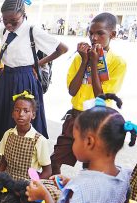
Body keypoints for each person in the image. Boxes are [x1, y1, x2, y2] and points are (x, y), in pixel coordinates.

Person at [51, 12, 127, 175]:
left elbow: (101, 95)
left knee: (91, 165)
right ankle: (56, 191)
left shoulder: (117, 63)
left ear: (112, 35)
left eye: (100, 33)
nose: (94, 38)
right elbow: (72, 91)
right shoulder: (80, 58)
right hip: (76, 116)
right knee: (56, 159)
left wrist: (94, 63)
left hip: (96, 120)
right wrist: (85, 61)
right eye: (91, 33)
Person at [0, 0, 67, 143]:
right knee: (6, 123)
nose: (9, 25)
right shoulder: (4, 30)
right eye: (5, 20)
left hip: (24, 80)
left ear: (23, 15)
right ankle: (9, 159)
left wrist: (37, 64)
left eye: (14, 21)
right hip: (6, 79)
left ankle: (30, 164)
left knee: (24, 126)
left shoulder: (32, 30)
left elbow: (62, 49)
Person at [0, 91, 51, 180]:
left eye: (26, 111)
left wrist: (33, 184)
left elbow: (47, 171)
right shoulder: (8, 134)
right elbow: (3, 163)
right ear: (12, 114)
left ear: (33, 115)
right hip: (7, 181)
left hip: (27, 184)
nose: (21, 114)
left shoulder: (39, 140)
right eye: (17, 110)